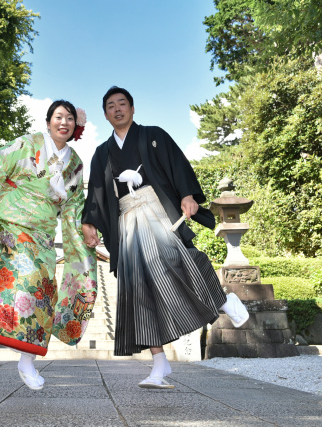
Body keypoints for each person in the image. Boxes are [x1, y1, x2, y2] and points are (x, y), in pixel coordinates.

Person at [81, 86, 249, 389]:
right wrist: (89, 222)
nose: (117, 109)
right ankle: (159, 365)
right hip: (126, 221)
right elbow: (95, 192)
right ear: (105, 115)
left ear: (132, 109)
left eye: (122, 104)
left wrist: (187, 195)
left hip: (157, 209)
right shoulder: (102, 153)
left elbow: (176, 165)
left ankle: (223, 300)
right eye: (110, 106)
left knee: (179, 259)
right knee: (137, 290)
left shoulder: (152, 135)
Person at [0, 100, 97, 391]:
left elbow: (74, 206)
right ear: (48, 121)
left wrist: (85, 230)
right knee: (21, 282)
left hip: (44, 235)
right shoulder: (28, 144)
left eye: (70, 118)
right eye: (58, 117)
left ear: (76, 126)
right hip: (12, 225)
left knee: (42, 295)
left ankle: (26, 358)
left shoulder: (75, 163)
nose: (64, 122)